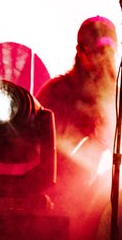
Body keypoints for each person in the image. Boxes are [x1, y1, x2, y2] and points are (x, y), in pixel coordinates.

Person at [35, 15, 119, 190]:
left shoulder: (116, 99)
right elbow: (34, 151)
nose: (103, 61)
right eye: (96, 52)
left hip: (99, 198)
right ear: (79, 51)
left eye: (108, 54)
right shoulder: (55, 92)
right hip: (57, 195)